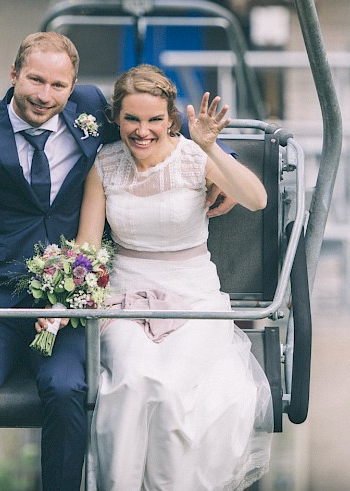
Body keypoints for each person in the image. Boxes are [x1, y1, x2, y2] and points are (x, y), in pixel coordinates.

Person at [0, 33, 236, 490]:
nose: (44, 95)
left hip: (64, 301)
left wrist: (221, 165)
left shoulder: (89, 110)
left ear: (73, 88)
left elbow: (152, 123)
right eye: (35, 80)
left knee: (69, 390)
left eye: (58, 85)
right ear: (13, 75)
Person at [76, 64, 274, 490]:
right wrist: (72, 294)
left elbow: (256, 199)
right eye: (132, 119)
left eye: (153, 120)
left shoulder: (193, 158)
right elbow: (87, 250)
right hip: (125, 298)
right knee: (131, 381)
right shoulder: (105, 165)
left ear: (170, 120)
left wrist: (212, 149)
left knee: (169, 392)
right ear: (116, 119)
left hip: (194, 300)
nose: (142, 131)